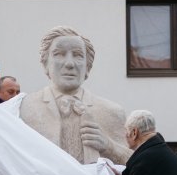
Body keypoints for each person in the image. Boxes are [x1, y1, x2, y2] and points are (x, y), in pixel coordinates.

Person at [18, 26, 131, 165]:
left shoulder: (112, 112)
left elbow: (134, 165)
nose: (69, 63)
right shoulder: (23, 109)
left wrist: (109, 146)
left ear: (87, 67)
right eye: (59, 54)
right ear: (45, 64)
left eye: (77, 55)